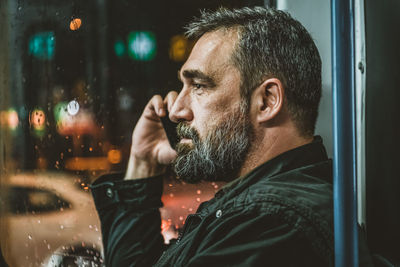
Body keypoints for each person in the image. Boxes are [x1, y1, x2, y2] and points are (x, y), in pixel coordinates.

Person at [91, 6, 373, 266]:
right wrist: (144, 163)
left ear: (266, 101)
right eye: (184, 85)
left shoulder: (271, 224)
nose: (176, 108)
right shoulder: (269, 208)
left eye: (199, 86)